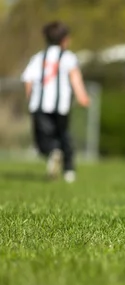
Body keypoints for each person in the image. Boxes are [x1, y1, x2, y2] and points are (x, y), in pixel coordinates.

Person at [21, 21, 90, 183]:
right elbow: (75, 78)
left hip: (39, 105)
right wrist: (82, 96)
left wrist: (29, 97)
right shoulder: (68, 57)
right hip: (61, 106)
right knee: (64, 136)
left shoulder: (38, 57)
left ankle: (53, 152)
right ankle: (69, 170)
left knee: (43, 139)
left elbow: (28, 80)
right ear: (64, 40)